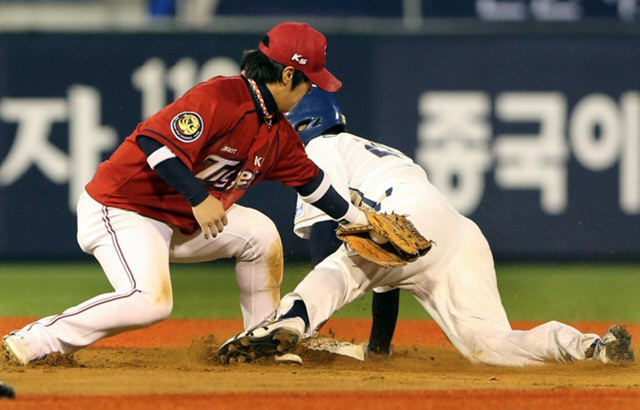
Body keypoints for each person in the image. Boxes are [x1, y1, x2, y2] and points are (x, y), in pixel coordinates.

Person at [2, 22, 371, 366]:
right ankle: (37, 339)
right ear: (289, 74)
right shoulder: (222, 97)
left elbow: (313, 183)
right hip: (123, 210)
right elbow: (153, 142)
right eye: (310, 82)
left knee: (260, 235)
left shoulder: (277, 133)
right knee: (151, 302)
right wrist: (199, 197)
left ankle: (260, 339)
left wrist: (363, 222)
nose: (311, 90)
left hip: (180, 220)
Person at [218, 88, 634, 366]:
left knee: (338, 269)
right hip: (456, 233)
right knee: (487, 344)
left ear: (302, 126)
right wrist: (378, 348)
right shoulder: (384, 154)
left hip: (405, 219)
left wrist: (316, 307)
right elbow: (386, 273)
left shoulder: (322, 147)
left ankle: (289, 320)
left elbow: (329, 233)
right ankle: (590, 347)